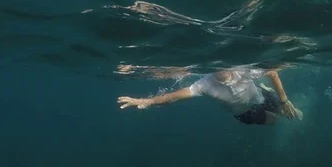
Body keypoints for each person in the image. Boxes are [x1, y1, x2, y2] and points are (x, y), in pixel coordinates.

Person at [117, 67, 302, 125]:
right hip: (246, 114)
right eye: (215, 68)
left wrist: (285, 100)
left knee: (294, 115)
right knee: (275, 122)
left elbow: (272, 72)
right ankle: (273, 104)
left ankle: (269, 94)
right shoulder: (204, 84)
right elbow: (173, 96)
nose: (220, 70)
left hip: (259, 97)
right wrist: (147, 101)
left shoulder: (243, 69)